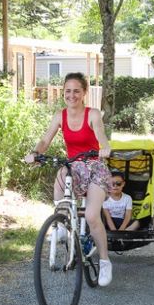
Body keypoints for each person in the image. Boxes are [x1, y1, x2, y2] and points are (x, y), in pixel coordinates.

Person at [24, 72, 114, 286]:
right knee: (61, 173)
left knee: (92, 216)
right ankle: (62, 224)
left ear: (84, 93)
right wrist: (36, 153)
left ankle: (104, 261)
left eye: (76, 91)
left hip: (94, 168)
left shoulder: (93, 115)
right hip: (74, 166)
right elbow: (45, 140)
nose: (71, 95)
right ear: (63, 93)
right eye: (68, 91)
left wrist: (105, 148)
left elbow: (101, 136)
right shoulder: (60, 116)